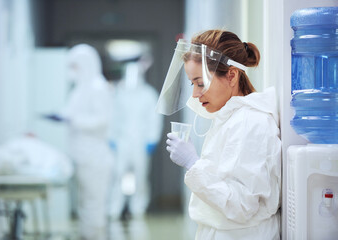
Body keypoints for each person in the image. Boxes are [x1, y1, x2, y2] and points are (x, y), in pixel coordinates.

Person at [156, 29, 281, 239]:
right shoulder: (230, 118)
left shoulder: (250, 123)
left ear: (231, 75)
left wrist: (193, 164)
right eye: (192, 84)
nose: (195, 94)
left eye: (201, 83)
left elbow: (242, 205)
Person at [46, 44, 114, 239]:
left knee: (94, 204)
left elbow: (102, 121)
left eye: (75, 66)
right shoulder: (80, 89)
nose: (72, 71)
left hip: (95, 157)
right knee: (85, 204)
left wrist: (72, 120)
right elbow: (73, 113)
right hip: (82, 156)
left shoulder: (97, 87)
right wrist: (62, 116)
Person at [109, 53, 163, 220]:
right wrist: (111, 137)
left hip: (141, 142)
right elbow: (112, 117)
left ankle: (138, 207)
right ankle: (115, 207)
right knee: (118, 174)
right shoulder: (119, 94)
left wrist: (152, 139)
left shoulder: (148, 94)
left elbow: (154, 118)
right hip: (122, 141)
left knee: (140, 176)